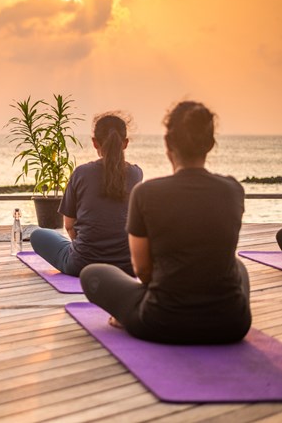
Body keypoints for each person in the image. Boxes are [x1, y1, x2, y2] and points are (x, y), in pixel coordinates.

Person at [80, 101, 251, 344]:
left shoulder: (147, 193)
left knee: (92, 274)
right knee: (238, 266)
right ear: (210, 144)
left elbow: (143, 270)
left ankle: (129, 312)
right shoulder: (233, 189)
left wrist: (128, 309)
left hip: (161, 321)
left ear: (168, 143)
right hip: (231, 323)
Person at [30, 113, 143, 276]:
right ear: (125, 143)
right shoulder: (136, 174)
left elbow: (69, 225)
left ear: (94, 142)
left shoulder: (81, 173)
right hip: (127, 266)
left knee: (38, 235)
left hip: (82, 265)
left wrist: (86, 250)